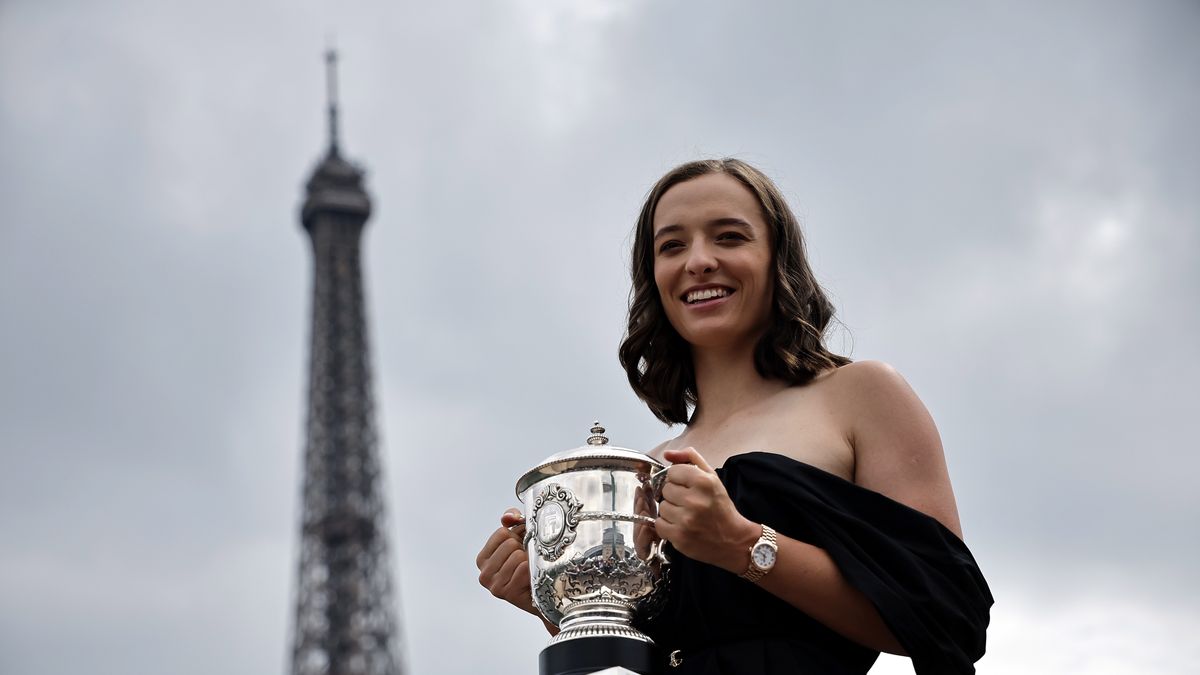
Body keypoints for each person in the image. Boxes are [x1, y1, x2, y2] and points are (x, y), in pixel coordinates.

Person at [476, 159, 992, 674]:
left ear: (776, 259)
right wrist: (561, 606)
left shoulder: (861, 394)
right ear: (654, 278)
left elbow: (947, 617)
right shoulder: (643, 472)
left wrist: (743, 544)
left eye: (728, 237)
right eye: (672, 246)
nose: (698, 261)